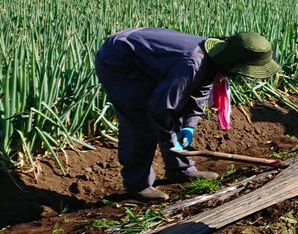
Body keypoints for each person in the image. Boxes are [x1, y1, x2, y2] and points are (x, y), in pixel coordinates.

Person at [95, 29, 281, 202]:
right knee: (141, 121)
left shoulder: (214, 56)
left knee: (175, 108)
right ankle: (137, 184)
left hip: (145, 56)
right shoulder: (192, 63)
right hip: (120, 60)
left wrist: (189, 126)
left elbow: (200, 92)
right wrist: (170, 141)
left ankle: (180, 170)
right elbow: (160, 108)